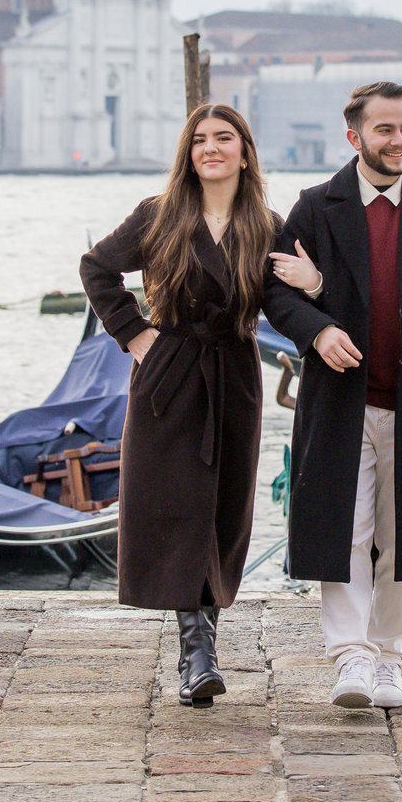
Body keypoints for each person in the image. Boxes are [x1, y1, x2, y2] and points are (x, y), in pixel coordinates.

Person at [263, 81, 402, 709]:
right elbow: (275, 292)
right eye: (387, 129)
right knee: (346, 527)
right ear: (355, 136)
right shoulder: (315, 207)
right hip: (340, 401)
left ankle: (390, 655)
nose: (400, 141)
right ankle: (351, 659)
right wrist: (318, 328)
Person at [79, 104, 278, 708]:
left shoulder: (266, 224)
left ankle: (201, 650)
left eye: (223, 138)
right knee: (177, 506)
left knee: (222, 509)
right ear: (187, 153)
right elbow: (97, 269)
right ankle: (198, 655)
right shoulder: (160, 215)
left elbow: (296, 297)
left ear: (245, 150)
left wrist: (316, 288)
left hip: (235, 374)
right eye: (199, 140)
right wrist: (135, 336)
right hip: (169, 372)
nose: (210, 149)